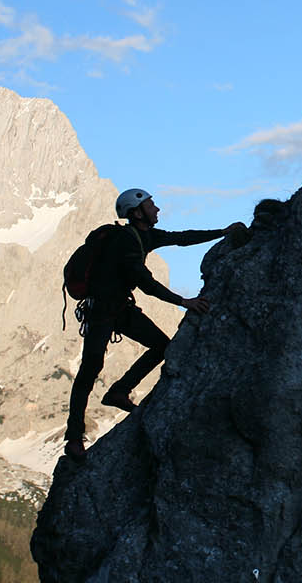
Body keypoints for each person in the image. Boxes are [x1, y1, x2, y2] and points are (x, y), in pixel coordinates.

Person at [64, 187, 250, 462]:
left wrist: (222, 232)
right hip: (101, 311)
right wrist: (183, 301)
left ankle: (118, 391)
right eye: (152, 205)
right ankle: (73, 437)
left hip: (118, 308)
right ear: (137, 212)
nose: (157, 209)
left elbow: (181, 239)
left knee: (162, 346)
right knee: (90, 368)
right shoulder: (125, 242)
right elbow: (146, 283)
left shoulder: (144, 236)